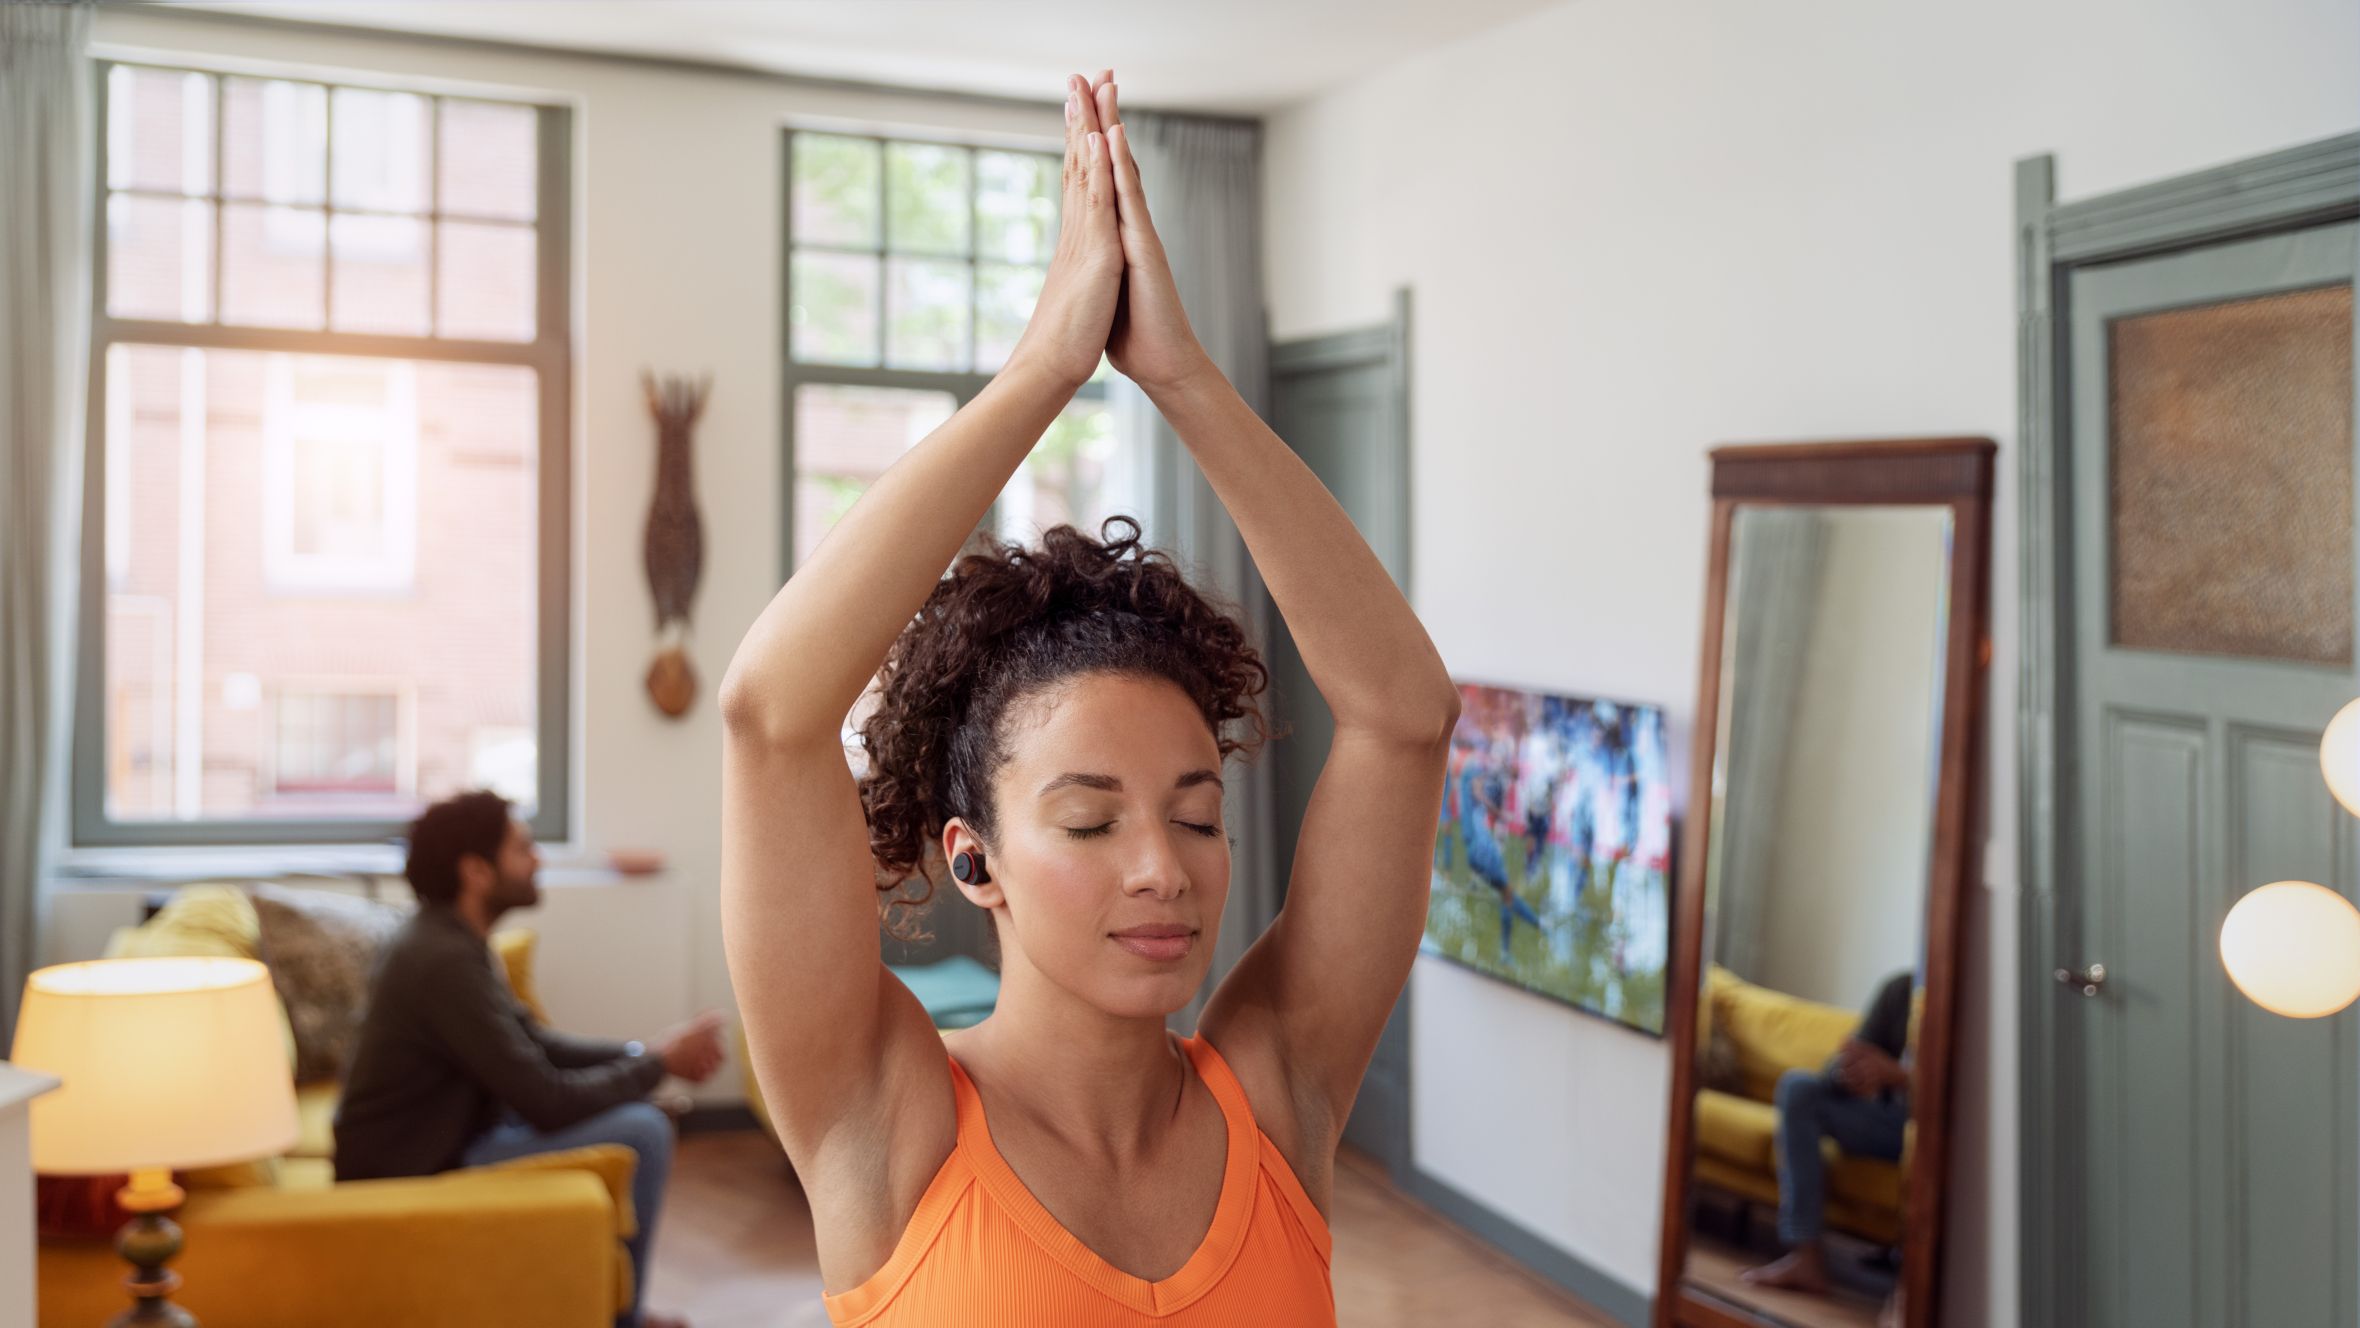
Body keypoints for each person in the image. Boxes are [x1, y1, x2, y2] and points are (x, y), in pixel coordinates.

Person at [721, 70, 1459, 1327]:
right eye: (1087, 819)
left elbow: (1402, 715)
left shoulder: (1277, 1095)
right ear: (974, 859)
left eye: (1192, 812)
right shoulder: (881, 1119)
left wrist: (1181, 378)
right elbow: (771, 713)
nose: (1161, 869)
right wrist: (1042, 371)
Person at [335, 789, 726, 1328]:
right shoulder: (443, 960)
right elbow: (546, 1099)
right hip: (418, 1163)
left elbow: (537, 1045)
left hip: (455, 1129)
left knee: (637, 1116)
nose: (538, 859)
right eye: (523, 848)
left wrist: (652, 1052)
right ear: (476, 871)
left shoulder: (451, 941)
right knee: (643, 1129)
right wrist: (657, 1066)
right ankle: (621, 1320)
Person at [1741, 969, 1914, 1320]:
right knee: (1798, 1087)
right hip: (1880, 1123)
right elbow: (1837, 1066)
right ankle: (1807, 1256)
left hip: (1923, 1129)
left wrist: (1899, 1076)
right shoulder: (1901, 991)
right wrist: (1848, 1071)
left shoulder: (1972, 1001)